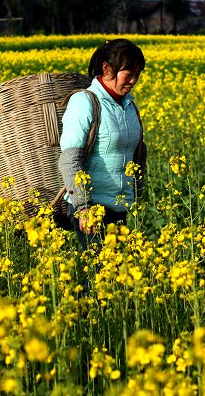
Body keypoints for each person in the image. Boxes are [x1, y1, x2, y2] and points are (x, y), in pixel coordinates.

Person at [59, 38, 146, 249]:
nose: (133, 80)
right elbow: (70, 160)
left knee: (117, 276)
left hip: (119, 206)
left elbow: (139, 153)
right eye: (129, 74)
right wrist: (83, 206)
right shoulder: (85, 101)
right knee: (102, 274)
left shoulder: (129, 106)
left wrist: (138, 193)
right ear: (107, 68)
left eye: (138, 75)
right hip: (91, 208)